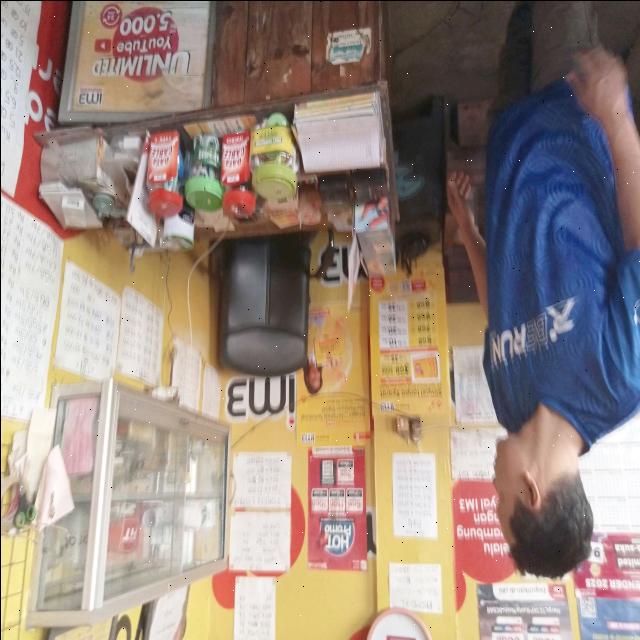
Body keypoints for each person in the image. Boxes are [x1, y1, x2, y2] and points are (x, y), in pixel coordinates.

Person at [447, 1, 640, 578]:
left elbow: (502, 317)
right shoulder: (620, 379)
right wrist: (615, 116)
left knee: (518, 25)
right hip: (571, 111)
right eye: (499, 499)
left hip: (510, 137)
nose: (490, 486)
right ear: (530, 491)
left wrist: (469, 234)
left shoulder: (510, 408)